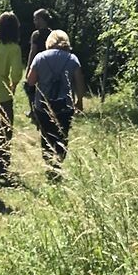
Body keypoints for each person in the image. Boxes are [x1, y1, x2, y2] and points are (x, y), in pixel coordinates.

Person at [27, 29, 85, 174]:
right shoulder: (73, 59)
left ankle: (48, 161)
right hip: (65, 105)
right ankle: (59, 159)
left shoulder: (40, 57)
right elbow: (79, 82)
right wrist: (80, 100)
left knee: (46, 132)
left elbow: (30, 80)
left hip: (43, 105)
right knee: (62, 132)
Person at [0, 11, 23, 175]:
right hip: (2, 93)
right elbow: (16, 73)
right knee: (4, 130)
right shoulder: (14, 48)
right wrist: (13, 86)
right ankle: (1, 162)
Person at [23, 8, 53, 118]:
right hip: (49, 66)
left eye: (36, 19)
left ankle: (33, 110)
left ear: (41, 19)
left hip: (37, 65)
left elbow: (33, 51)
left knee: (30, 88)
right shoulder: (52, 33)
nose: (34, 21)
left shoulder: (36, 34)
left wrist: (28, 68)